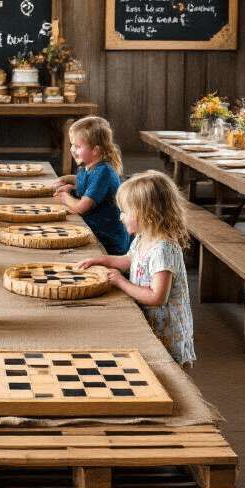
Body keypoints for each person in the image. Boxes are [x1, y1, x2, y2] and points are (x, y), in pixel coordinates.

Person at [79, 170, 195, 368]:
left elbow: (157, 297)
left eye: (125, 211)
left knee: (168, 371)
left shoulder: (163, 249)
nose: (121, 217)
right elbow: (130, 260)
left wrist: (120, 281)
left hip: (167, 329)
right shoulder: (143, 238)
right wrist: (102, 260)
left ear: (146, 214)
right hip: (152, 320)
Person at [53, 115, 129, 254]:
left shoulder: (103, 172)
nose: (72, 150)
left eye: (77, 147)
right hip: (92, 231)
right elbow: (85, 184)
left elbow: (82, 207)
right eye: (71, 146)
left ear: (95, 150)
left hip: (106, 242)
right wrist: (69, 183)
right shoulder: (86, 167)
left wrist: (66, 198)